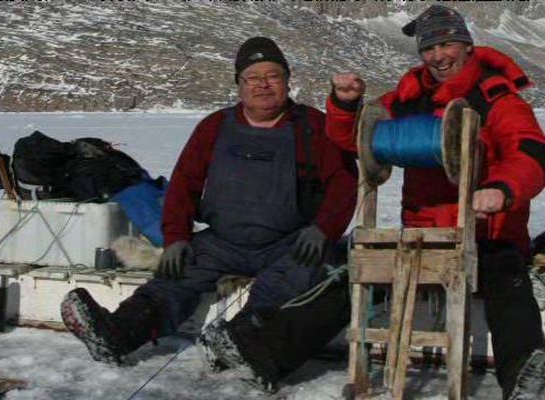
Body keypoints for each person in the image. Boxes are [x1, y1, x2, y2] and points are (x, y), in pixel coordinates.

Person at [61, 37, 358, 390]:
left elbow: (344, 181)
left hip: (291, 241)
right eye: (252, 77)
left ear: (287, 81)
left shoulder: (312, 126)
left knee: (287, 282)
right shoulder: (215, 127)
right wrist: (176, 238)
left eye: (273, 75)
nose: (263, 84)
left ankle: (249, 343)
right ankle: (119, 333)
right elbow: (184, 184)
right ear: (239, 84)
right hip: (223, 241)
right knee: (175, 277)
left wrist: (323, 229)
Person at [326, 5, 545, 399]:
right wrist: (345, 106)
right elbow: (358, 141)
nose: (438, 56)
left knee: (507, 281)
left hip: (487, 233)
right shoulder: (407, 99)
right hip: (424, 234)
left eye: (447, 43)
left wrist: (502, 189)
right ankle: (258, 351)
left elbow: (530, 154)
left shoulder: (499, 100)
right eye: (429, 48)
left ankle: (526, 379)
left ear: (466, 45)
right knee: (352, 273)